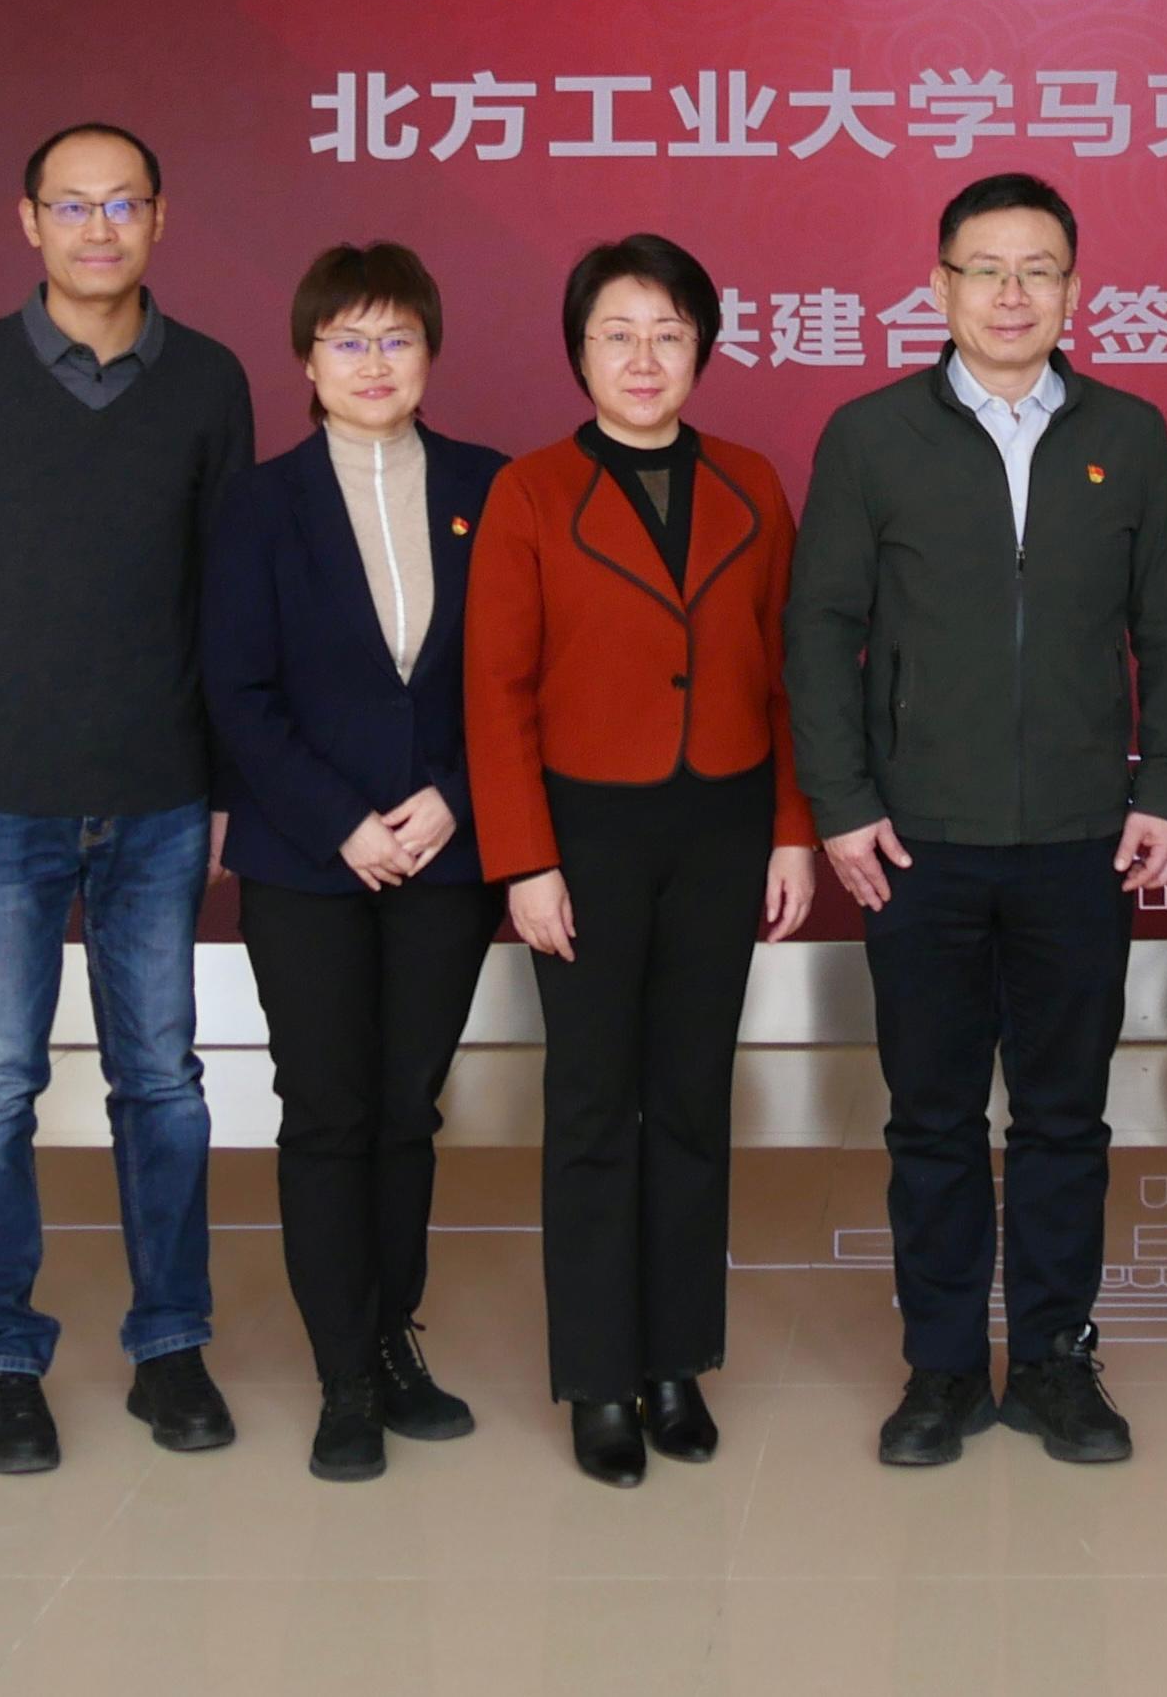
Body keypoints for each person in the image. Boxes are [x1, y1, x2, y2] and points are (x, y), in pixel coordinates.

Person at [788, 173, 1167, 1471]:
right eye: (986, 268)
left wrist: (1162, 789)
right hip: (918, 840)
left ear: (1074, 290)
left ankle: (1057, 1363)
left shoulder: (1127, 433)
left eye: (1039, 270)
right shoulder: (871, 436)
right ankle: (941, 1368)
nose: (1013, 293)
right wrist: (844, 808)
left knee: (1064, 1119)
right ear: (940, 287)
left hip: (1082, 837)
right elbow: (821, 632)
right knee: (930, 1117)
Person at [0, 122, 258, 1477]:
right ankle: (3, 1357)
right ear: (28, 221)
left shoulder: (209, 379)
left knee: (162, 1081)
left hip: (160, 795)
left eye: (123, 205)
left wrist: (224, 784)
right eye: (73, 205)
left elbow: (229, 601)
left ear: (160, 219)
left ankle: (171, 1344)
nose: (99, 229)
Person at [463, 234, 819, 1487]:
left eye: (668, 333)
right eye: (617, 334)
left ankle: (676, 1363)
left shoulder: (750, 483)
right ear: (578, 352)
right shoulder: (530, 492)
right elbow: (495, 692)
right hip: (585, 835)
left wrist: (791, 829)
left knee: (690, 1102)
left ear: (702, 347)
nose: (644, 357)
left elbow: (787, 675)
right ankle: (598, 1378)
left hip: (722, 826)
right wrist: (525, 860)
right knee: (589, 1106)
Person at [202, 241, 507, 1484]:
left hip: (447, 852)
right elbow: (238, 692)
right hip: (307, 860)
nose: (373, 363)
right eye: (347, 341)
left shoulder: (492, 489)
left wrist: (453, 800)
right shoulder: (256, 504)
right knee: (327, 1110)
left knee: (406, 1108)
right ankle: (341, 1377)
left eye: (396, 339)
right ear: (307, 360)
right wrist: (343, 822)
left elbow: (517, 678)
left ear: (431, 352)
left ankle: (393, 1341)